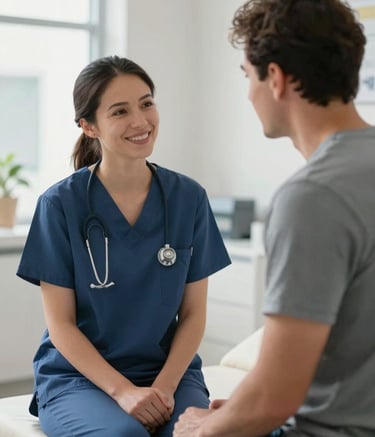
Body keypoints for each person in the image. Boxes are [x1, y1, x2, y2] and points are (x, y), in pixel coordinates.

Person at [173, 1, 375, 436]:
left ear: (277, 79)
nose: (248, 93)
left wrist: (202, 430)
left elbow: (273, 396)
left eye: (248, 76)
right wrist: (242, 411)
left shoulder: (313, 197)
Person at [17, 55, 231, 437]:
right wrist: (124, 391)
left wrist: (163, 388)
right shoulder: (60, 205)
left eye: (147, 103)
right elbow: (61, 325)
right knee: (123, 435)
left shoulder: (188, 198)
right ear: (89, 126)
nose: (140, 121)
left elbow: (194, 314)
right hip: (80, 377)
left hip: (168, 374)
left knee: (197, 433)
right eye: (120, 111)